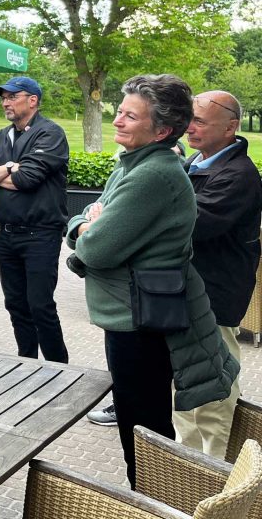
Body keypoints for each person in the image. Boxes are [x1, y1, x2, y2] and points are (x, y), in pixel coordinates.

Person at [66, 74, 238, 487]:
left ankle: (151, 503)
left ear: (161, 130)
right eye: (119, 112)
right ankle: (152, 498)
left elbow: (96, 250)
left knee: (143, 434)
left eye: (131, 115)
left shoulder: (152, 175)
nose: (119, 121)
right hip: (132, 316)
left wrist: (89, 228)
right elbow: (87, 220)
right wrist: (86, 224)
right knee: (140, 427)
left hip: (139, 322)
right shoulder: (134, 164)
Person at [171, 91, 262, 458]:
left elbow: (190, 224)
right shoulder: (199, 161)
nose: (189, 128)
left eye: (199, 121)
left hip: (214, 297)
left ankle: (214, 470)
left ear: (231, 127)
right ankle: (184, 465)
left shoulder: (238, 174)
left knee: (213, 387)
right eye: (188, 120)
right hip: (191, 293)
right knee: (187, 385)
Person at [0, 76, 70, 364]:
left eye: (12, 97)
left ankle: (58, 369)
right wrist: (11, 167)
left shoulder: (50, 134)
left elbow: (28, 179)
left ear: (33, 100)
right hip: (8, 235)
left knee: (40, 306)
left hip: (41, 235)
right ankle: (25, 363)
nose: (5, 102)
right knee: (15, 305)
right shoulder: (0, 136)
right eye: (3, 98)